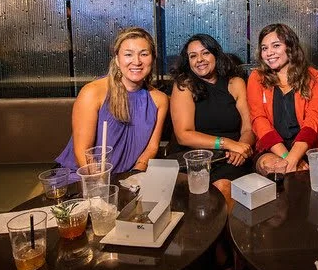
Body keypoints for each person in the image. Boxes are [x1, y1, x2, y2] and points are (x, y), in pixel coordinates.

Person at [56, 27, 168, 178]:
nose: (136, 61)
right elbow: (82, 151)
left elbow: (151, 148)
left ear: (152, 59)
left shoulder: (159, 100)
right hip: (84, 178)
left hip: (129, 178)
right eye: (128, 54)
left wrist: (135, 175)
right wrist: (99, 181)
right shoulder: (92, 93)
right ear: (117, 59)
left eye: (144, 54)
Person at [170, 33, 254, 201]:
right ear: (188, 62)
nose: (199, 59)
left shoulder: (235, 83)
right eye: (193, 56)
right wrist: (228, 143)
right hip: (194, 158)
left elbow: (248, 128)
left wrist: (242, 148)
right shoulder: (184, 86)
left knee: (223, 187)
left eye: (205, 53)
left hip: (230, 158)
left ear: (216, 54)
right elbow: (183, 135)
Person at [247, 23, 318, 175]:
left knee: (299, 174)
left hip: (309, 146)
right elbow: (258, 120)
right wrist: (288, 158)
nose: (269, 53)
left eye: (276, 45)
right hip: (273, 147)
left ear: (290, 47)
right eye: (264, 48)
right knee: (271, 166)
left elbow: (314, 120)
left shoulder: (316, 78)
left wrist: (294, 157)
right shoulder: (257, 78)